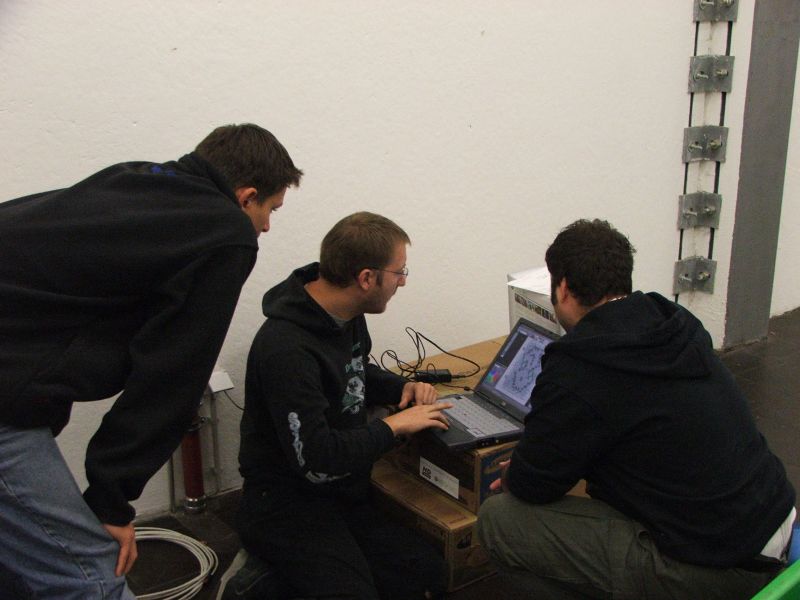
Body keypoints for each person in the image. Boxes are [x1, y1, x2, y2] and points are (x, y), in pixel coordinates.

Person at [0, 123, 303, 599]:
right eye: (271, 210)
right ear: (246, 197)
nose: (266, 226)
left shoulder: (134, 178)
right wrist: (110, 501)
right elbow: (171, 377)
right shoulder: (225, 231)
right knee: (91, 575)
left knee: (22, 563)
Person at [477, 219, 796, 600]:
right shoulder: (672, 323)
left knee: (501, 520)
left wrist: (517, 472)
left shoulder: (580, 366)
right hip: (770, 521)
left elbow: (533, 485)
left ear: (562, 288)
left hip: (721, 569)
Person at [228, 211, 450, 599]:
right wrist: (395, 426)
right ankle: (259, 583)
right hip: (285, 504)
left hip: (343, 492)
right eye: (399, 272)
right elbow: (318, 459)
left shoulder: (346, 315)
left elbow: (354, 372)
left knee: (427, 573)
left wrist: (403, 386)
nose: (402, 281)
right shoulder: (286, 349)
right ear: (366, 278)